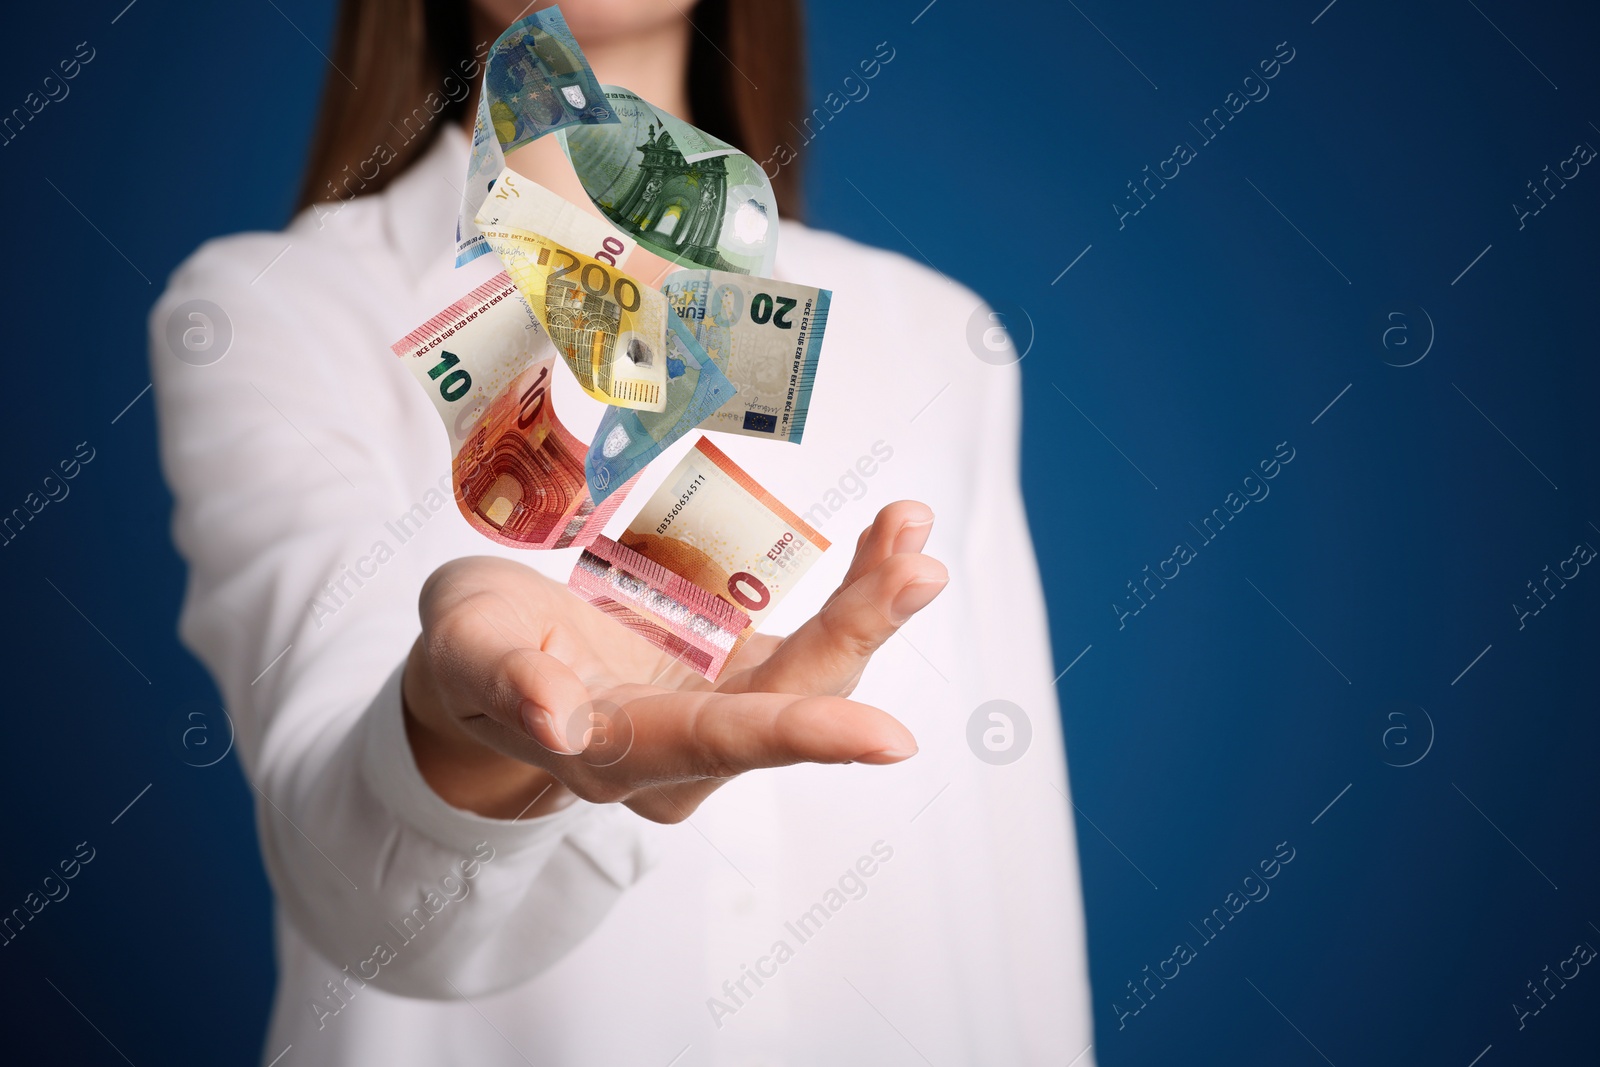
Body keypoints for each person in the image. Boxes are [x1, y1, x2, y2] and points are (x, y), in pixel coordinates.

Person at [149, 0, 1095, 1062]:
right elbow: (355, 883)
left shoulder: (933, 334)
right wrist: (471, 737)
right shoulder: (271, 308)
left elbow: (1008, 855)